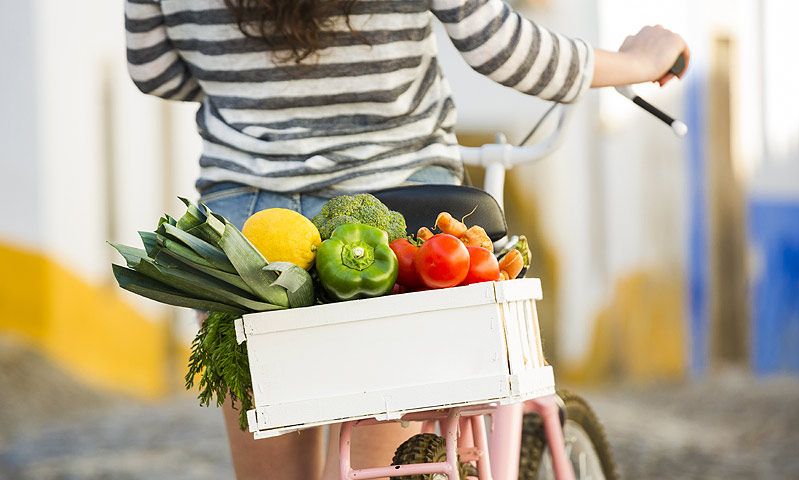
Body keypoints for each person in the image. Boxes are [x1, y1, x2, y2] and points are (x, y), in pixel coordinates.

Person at [125, 0, 689, 478]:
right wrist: (639, 60)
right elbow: (502, 47)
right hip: (396, 221)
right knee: (388, 466)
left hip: (246, 238)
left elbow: (156, 72)